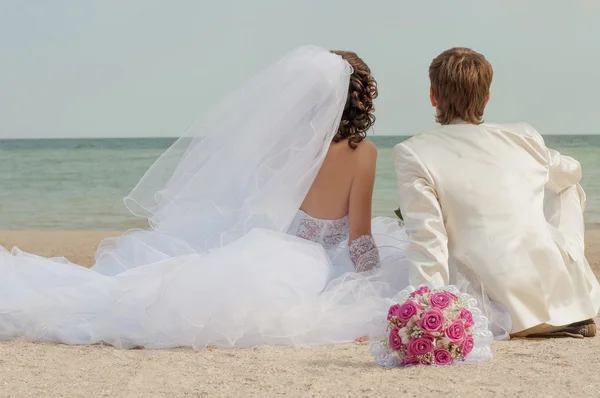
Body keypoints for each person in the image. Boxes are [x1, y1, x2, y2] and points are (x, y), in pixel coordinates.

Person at [0, 46, 421, 350]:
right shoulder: (362, 153)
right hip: (317, 262)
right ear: (359, 97)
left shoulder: (286, 147)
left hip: (275, 251)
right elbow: (359, 238)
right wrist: (371, 282)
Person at [393, 47, 600, 338]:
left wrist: (428, 309)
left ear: (433, 96)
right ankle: (569, 293)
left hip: (490, 296)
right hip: (553, 293)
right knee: (567, 186)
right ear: (487, 97)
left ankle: (519, 310)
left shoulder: (412, 152)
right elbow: (571, 172)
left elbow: (427, 237)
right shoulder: (521, 136)